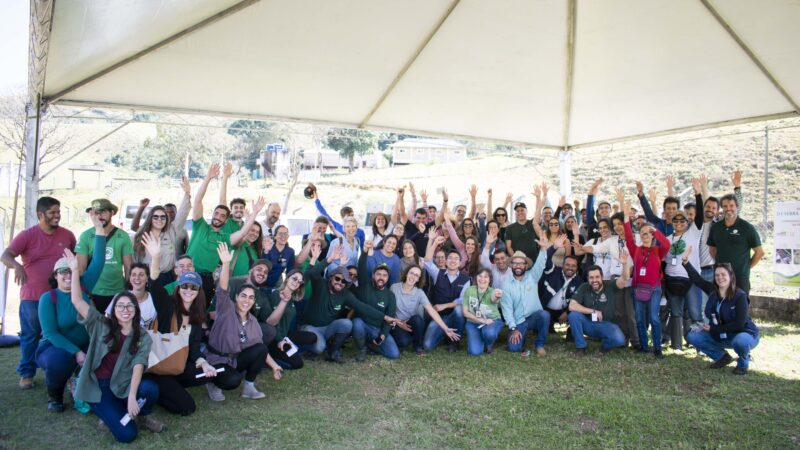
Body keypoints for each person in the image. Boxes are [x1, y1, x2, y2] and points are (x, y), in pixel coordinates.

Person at [67, 252, 164, 443]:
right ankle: (109, 414)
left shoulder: (142, 336)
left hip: (124, 383)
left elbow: (139, 365)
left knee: (150, 389)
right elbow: (77, 302)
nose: (125, 310)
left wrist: (133, 396)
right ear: (113, 309)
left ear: (135, 310)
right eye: (120, 306)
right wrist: (75, 271)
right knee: (127, 435)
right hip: (100, 386)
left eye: (129, 306)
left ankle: (140, 413)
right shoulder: (101, 324)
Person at [2, 196, 76, 390]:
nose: (57, 215)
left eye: (58, 211)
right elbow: (5, 255)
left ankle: (60, 370)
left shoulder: (67, 235)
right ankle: (27, 373)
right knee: (30, 335)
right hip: (33, 296)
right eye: (52, 212)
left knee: (58, 334)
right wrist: (17, 266)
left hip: (59, 296)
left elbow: (75, 259)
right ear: (40, 214)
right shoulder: (28, 235)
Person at [35, 213, 106, 412]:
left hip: (85, 343)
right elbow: (50, 333)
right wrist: (76, 352)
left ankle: (80, 383)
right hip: (54, 347)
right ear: (55, 276)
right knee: (60, 360)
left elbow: (99, 262)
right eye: (62, 272)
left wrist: (99, 231)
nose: (67, 275)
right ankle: (55, 395)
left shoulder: (83, 286)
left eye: (71, 270)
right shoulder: (49, 299)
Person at [140, 232, 214, 416]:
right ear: (178, 288)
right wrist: (155, 257)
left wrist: (204, 364)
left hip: (176, 365)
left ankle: (172, 386)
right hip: (156, 369)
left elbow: (195, 348)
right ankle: (157, 392)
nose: (188, 290)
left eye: (193, 287)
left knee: (203, 375)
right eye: (185, 286)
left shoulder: (196, 317)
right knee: (187, 408)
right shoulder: (167, 308)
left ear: (198, 291)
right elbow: (155, 284)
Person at [186, 163, 264, 302]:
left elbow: (242, 232)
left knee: (201, 313)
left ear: (226, 219)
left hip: (207, 278)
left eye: (223, 215)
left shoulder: (225, 238)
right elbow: (198, 200)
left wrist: (255, 213)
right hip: (188, 273)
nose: (218, 217)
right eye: (216, 213)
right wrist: (208, 178)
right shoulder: (200, 226)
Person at [203, 243, 269, 401]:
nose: (247, 300)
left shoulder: (252, 320)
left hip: (233, 360)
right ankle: (212, 383)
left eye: (251, 297)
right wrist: (226, 263)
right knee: (232, 381)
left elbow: (260, 349)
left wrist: (274, 366)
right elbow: (223, 288)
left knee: (260, 349)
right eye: (243, 296)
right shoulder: (226, 309)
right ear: (237, 297)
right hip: (217, 359)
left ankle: (249, 387)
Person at [683, 250, 759, 375]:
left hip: (742, 334)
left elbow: (739, 324)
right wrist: (686, 262)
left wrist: (714, 329)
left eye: (723, 274)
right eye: (717, 275)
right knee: (692, 336)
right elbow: (697, 279)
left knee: (740, 341)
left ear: (731, 276)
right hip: (721, 335)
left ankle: (743, 363)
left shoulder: (740, 296)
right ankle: (722, 357)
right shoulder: (713, 291)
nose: (720, 278)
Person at [299, 245, 375, 363]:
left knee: (346, 323)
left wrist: (385, 317)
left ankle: (333, 351)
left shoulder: (345, 293)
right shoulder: (321, 285)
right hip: (311, 326)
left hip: (327, 327)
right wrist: (330, 259)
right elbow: (312, 274)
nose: (340, 282)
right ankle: (311, 348)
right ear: (330, 278)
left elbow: (362, 307)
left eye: (344, 280)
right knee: (319, 347)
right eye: (337, 279)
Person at [620, 190, 671, 359]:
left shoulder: (658, 251)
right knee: (640, 319)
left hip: (654, 289)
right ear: (640, 237)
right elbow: (628, 237)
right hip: (638, 288)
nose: (646, 235)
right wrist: (626, 217)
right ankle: (643, 345)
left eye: (648, 233)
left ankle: (657, 347)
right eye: (643, 233)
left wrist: (654, 230)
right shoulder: (636, 250)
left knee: (654, 318)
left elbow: (667, 244)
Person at [663, 188, 704, 351]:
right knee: (675, 312)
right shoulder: (668, 239)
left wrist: (698, 194)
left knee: (695, 312)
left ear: (688, 222)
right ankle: (676, 344)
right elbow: (664, 260)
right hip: (672, 280)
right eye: (675, 221)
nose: (679, 223)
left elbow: (700, 216)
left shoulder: (693, 233)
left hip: (690, 279)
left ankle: (701, 345)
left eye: (682, 221)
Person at [75, 198, 133, 314]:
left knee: (117, 328)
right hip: (93, 291)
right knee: (95, 329)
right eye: (96, 213)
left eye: (103, 212)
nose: (99, 216)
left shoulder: (123, 236)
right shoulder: (86, 236)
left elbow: (128, 266)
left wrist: (128, 290)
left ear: (112, 213)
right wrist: (84, 293)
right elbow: (80, 269)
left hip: (117, 291)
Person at [132, 177, 191, 284]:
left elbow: (182, 214)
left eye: (163, 217)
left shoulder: (171, 231)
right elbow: (134, 260)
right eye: (156, 217)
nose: (159, 219)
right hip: (146, 278)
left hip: (167, 277)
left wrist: (187, 194)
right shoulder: (141, 235)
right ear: (150, 218)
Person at [389, 265, 459, 356]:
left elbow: (431, 310)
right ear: (406, 274)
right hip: (397, 323)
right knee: (403, 342)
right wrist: (398, 322)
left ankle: (418, 346)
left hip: (411, 323)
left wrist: (445, 328)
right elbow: (388, 309)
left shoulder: (419, 292)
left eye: (416, 275)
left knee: (418, 319)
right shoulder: (394, 288)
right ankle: (408, 337)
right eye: (411, 273)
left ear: (418, 279)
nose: (413, 277)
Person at [568, 260, 630, 356]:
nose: (594, 280)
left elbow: (625, 279)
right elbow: (572, 305)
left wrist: (625, 264)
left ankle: (604, 347)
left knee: (620, 340)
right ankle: (581, 347)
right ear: (588, 279)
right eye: (591, 277)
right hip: (588, 324)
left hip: (606, 325)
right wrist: (593, 311)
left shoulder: (610, 285)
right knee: (573, 315)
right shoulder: (584, 287)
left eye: (597, 277)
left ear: (602, 277)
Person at [259, 269, 317, 370]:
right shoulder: (276, 295)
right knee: (298, 364)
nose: (296, 282)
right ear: (287, 279)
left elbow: (306, 277)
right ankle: (269, 359)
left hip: (285, 335)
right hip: (274, 339)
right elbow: (269, 324)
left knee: (312, 337)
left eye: (299, 282)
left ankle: (290, 349)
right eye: (294, 278)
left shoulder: (292, 298)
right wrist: (280, 340)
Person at [352, 242, 400, 361]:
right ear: (373, 275)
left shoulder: (390, 295)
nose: (381, 277)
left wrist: (383, 335)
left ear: (387, 278)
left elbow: (389, 318)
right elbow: (361, 266)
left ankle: (371, 346)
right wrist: (364, 252)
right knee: (357, 323)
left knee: (394, 354)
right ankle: (361, 348)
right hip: (363, 324)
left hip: (377, 329)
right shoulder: (365, 285)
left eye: (384, 275)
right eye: (378, 274)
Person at [707, 194, 763, 294]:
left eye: (731, 206)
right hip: (721, 277)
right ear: (722, 208)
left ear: (737, 207)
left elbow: (759, 252)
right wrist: (721, 264)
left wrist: (746, 266)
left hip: (740, 277)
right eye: (725, 206)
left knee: (741, 308)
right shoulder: (716, 228)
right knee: (721, 307)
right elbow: (712, 249)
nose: (728, 209)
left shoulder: (747, 228)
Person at [500, 244, 549, 357]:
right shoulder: (506, 285)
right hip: (519, 321)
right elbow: (506, 309)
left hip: (533, 317)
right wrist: (513, 328)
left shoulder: (533, 276)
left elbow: (540, 264)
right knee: (514, 348)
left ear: (526, 266)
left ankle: (540, 345)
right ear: (511, 265)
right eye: (515, 263)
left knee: (544, 315)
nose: (518, 266)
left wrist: (542, 249)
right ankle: (520, 337)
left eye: (521, 263)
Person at [422, 236, 469, 352]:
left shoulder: (466, 279)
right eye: (450, 258)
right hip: (439, 317)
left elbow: (463, 300)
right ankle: (444, 334)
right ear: (446, 261)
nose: (453, 261)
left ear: (460, 263)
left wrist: (445, 305)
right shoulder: (437, 273)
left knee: (459, 309)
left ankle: (455, 342)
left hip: (455, 315)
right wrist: (434, 244)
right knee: (428, 345)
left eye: (456, 259)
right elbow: (427, 260)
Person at [541, 236, 582, 333]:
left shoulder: (579, 281)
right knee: (542, 325)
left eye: (573, 266)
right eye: (567, 265)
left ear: (577, 268)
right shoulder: (553, 271)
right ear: (562, 265)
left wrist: (567, 313)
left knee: (576, 313)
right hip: (547, 309)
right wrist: (554, 247)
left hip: (563, 311)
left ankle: (571, 332)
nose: (570, 268)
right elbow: (546, 259)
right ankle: (548, 324)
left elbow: (578, 301)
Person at [462, 269, 504, 356]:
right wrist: (482, 320)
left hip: (491, 321)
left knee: (489, 333)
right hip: (474, 322)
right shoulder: (469, 290)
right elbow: (465, 313)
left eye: (486, 277)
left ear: (490, 279)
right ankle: (481, 340)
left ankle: (489, 343)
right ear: (476, 277)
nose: (482, 279)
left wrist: (497, 296)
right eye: (480, 276)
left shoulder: (492, 291)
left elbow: (494, 299)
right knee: (475, 352)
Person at [218, 162, 246, 234]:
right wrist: (225, 177)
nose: (239, 209)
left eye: (241, 207)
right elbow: (222, 200)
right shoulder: (226, 221)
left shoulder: (246, 225)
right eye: (236, 207)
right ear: (231, 210)